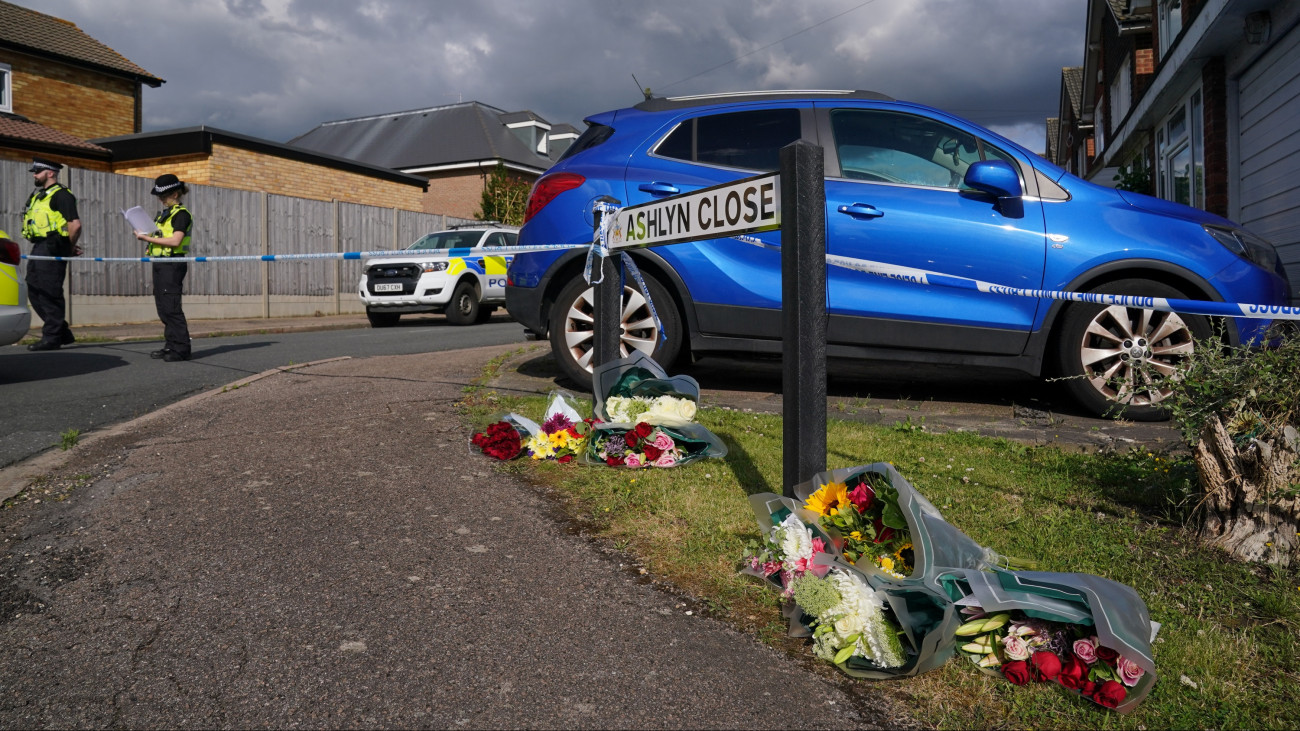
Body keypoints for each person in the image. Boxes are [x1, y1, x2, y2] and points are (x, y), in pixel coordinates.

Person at [22, 157, 81, 351]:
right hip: (39, 246)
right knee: (34, 289)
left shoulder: (61, 195)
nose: (35, 175)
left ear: (50, 173)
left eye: (37, 171)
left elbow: (75, 224)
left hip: (53, 245)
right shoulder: (40, 195)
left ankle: (52, 338)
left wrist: (69, 247)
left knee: (50, 292)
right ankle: (61, 331)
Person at [134, 174, 193, 362]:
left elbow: (175, 241)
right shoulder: (162, 215)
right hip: (160, 263)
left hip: (172, 264)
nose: (160, 199)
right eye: (159, 195)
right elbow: (160, 236)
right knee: (163, 307)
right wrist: (148, 243)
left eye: (164, 195)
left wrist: (146, 238)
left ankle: (181, 349)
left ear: (175, 194)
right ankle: (171, 345)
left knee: (172, 307)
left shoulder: (181, 214)